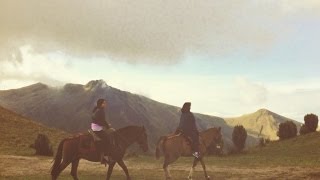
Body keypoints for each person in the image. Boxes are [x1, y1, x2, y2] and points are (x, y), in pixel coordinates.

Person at [91, 98, 114, 164]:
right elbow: (102, 121)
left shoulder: (96, 109)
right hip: (97, 128)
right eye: (104, 103)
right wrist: (108, 126)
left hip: (94, 126)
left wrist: (106, 125)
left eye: (105, 103)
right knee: (107, 139)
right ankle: (105, 156)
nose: (105, 104)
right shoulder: (101, 111)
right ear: (100, 104)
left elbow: (101, 120)